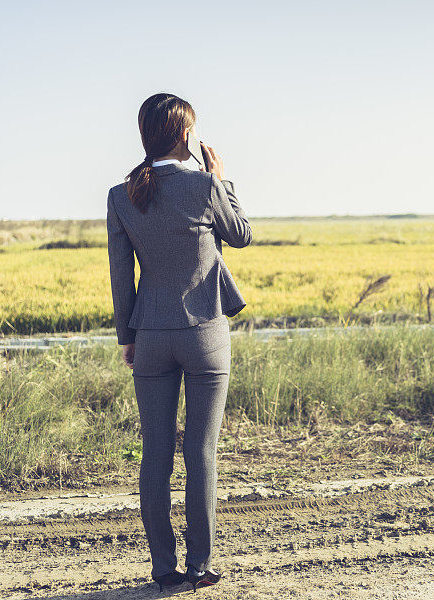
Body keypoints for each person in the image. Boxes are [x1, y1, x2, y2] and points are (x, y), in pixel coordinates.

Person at [106, 92, 253, 592]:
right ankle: (200, 566)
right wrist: (221, 179)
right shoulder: (204, 187)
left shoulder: (121, 195)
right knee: (201, 451)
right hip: (206, 332)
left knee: (156, 453)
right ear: (185, 135)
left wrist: (127, 336)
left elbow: (121, 277)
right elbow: (241, 234)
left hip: (149, 334)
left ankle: (163, 568)